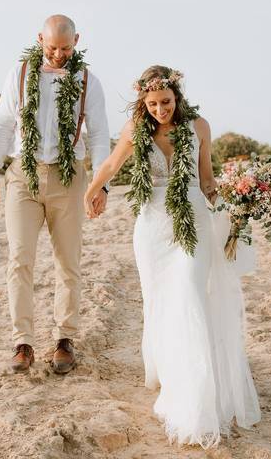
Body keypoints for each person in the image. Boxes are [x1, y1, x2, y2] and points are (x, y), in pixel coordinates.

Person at [84, 65, 261, 447]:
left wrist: (235, 210)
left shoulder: (199, 127)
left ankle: (195, 394)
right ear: (143, 101)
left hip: (194, 220)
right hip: (152, 227)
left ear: (177, 97)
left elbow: (207, 179)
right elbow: (113, 164)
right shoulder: (135, 129)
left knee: (190, 295)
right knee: (160, 300)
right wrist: (93, 189)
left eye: (166, 102)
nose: (160, 110)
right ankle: (169, 371)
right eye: (152, 104)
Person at [0, 14, 110, 373]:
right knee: (20, 258)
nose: (58, 54)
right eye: (52, 47)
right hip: (24, 175)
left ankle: (64, 339)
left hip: (70, 178)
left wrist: (101, 184)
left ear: (77, 41)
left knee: (68, 260)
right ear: (40, 40)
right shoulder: (19, 75)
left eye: (66, 48)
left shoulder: (87, 81)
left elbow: (100, 135)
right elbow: (2, 125)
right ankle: (22, 342)